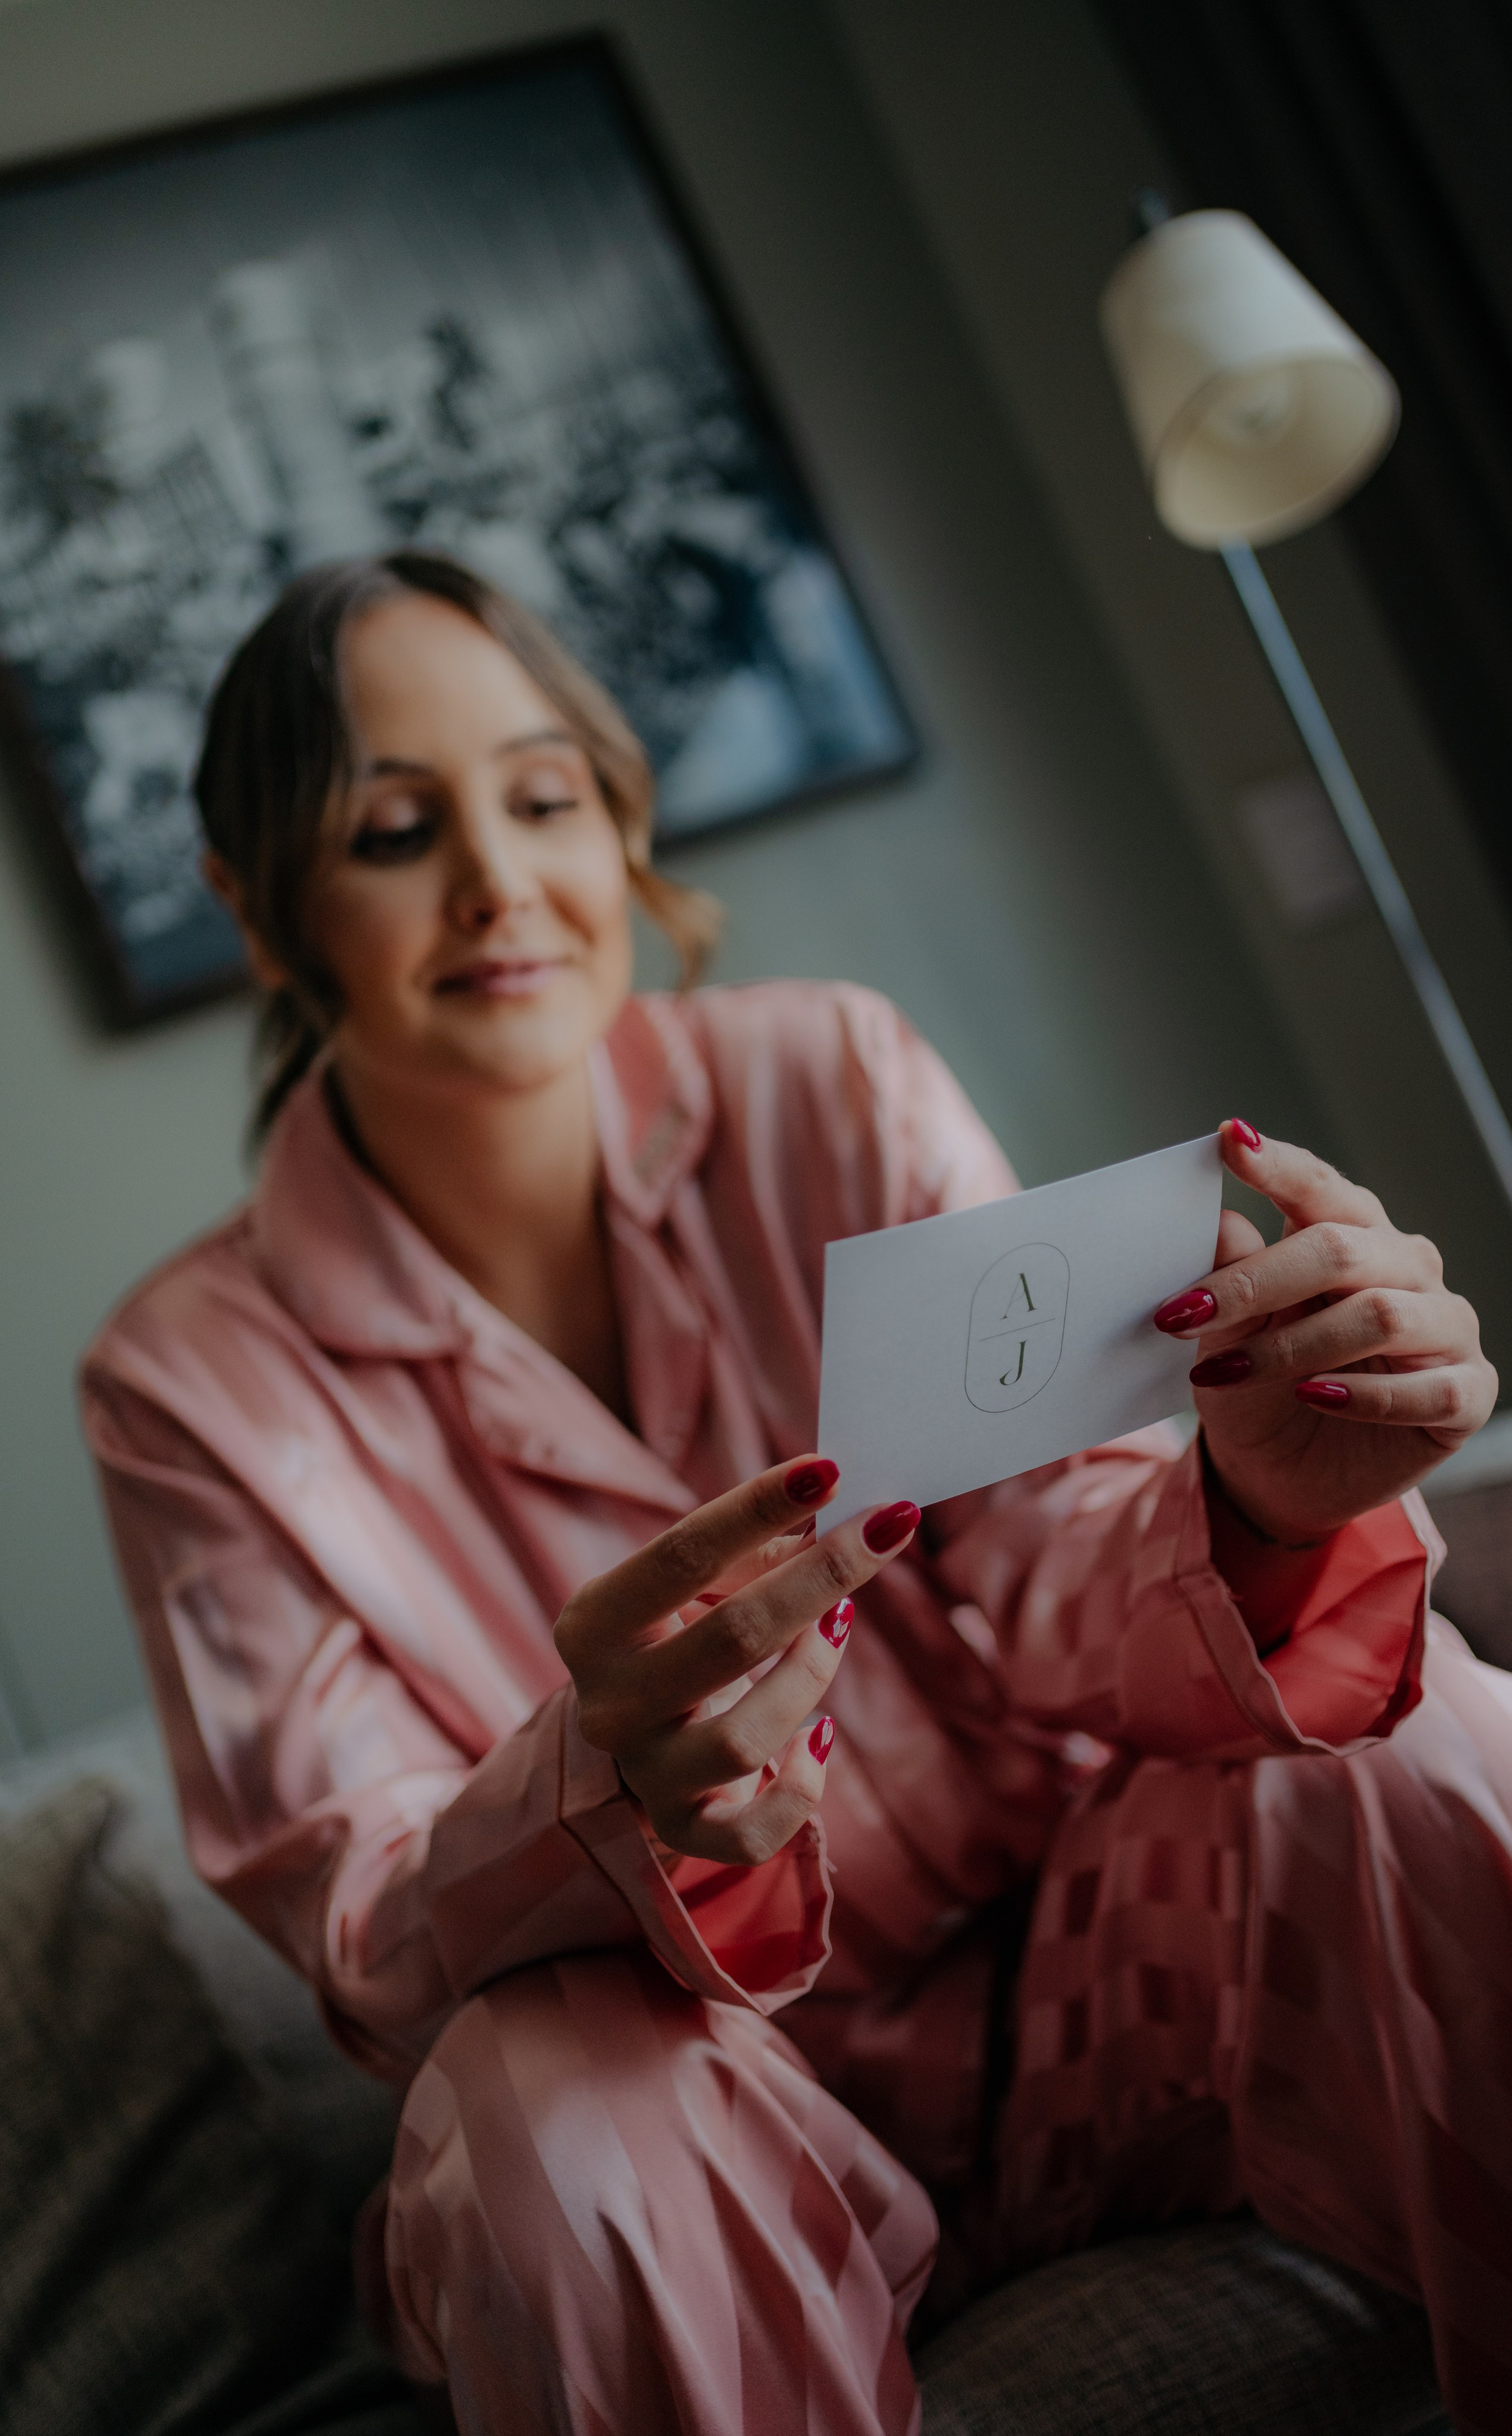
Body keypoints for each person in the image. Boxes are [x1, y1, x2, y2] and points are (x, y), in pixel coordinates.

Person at [81, 550, 1512, 2436]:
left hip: (1097, 1994)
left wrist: (1257, 1503)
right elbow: (374, 1932)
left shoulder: (832, 1076)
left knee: (1428, 1741)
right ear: (261, 914)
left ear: (620, 824)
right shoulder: (188, 1379)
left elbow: (1056, 1547)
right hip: (706, 2139)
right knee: (553, 2105)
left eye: (544, 798)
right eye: (393, 829)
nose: (499, 881)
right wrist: (599, 1773)